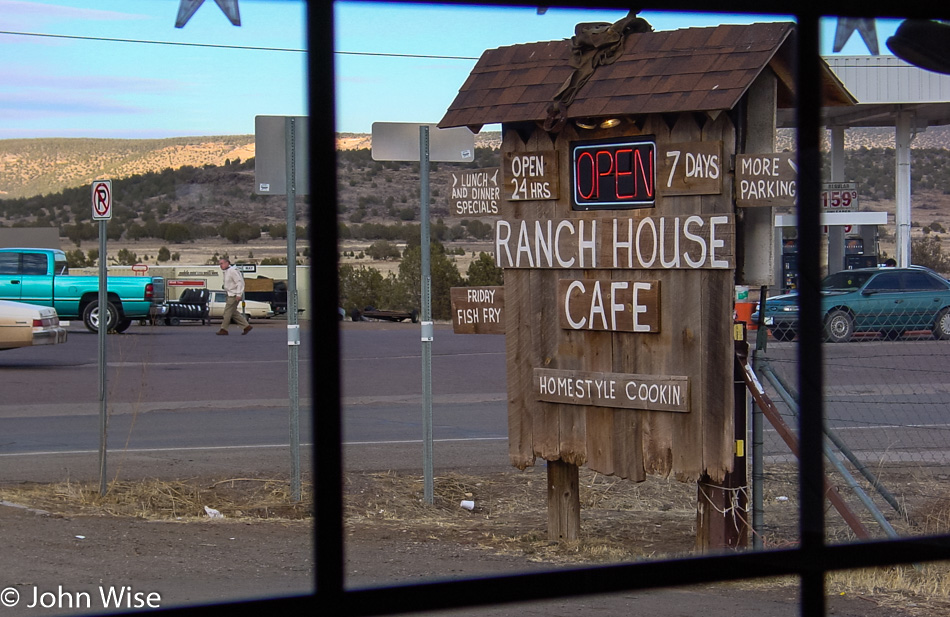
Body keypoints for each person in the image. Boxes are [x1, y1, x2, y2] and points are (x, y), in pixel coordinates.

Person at [217, 258, 252, 335]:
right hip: (230, 294)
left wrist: (239, 294)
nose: (220, 265)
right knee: (233, 312)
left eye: (222, 263)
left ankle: (224, 329)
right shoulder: (226, 272)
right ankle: (246, 326)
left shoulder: (232, 271)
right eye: (219, 264)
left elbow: (239, 282)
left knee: (227, 313)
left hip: (233, 295)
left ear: (227, 263)